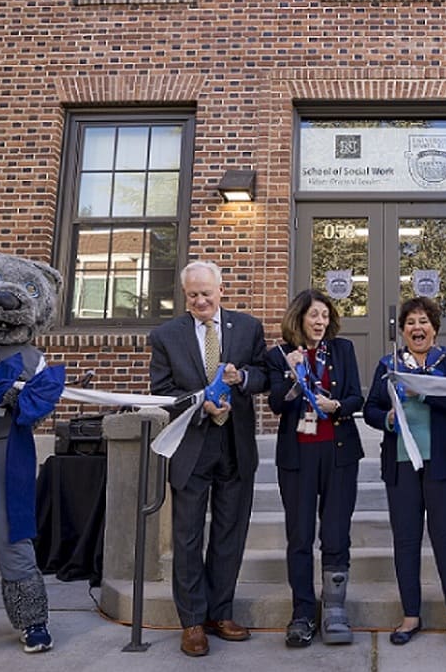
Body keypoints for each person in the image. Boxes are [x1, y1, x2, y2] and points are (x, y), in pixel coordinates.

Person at [148, 260, 268, 658]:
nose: (201, 300)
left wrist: (242, 379)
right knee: (187, 537)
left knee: (229, 535)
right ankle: (193, 622)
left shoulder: (248, 327)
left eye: (206, 293)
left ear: (220, 290)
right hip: (193, 447)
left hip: (235, 447)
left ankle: (221, 612)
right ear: (185, 295)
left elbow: (263, 375)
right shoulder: (167, 335)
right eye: (193, 294)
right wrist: (202, 408)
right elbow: (163, 391)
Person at [363, 296, 446, 649]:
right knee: (406, 541)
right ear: (403, 331)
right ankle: (411, 615)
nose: (417, 328)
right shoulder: (389, 364)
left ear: (435, 328)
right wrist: (387, 418)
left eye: (423, 321)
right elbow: (371, 409)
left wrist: (423, 393)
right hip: (401, 465)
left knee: (445, 539)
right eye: (410, 322)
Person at [266, 289, 364, 647]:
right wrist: (293, 378)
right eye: (314, 315)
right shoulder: (278, 356)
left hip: (338, 454)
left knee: (336, 533)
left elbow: (357, 397)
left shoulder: (343, 350)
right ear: (299, 319)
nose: (320, 321)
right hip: (297, 457)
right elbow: (276, 404)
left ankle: (335, 611)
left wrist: (336, 403)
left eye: (325, 315)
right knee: (300, 536)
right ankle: (303, 613)